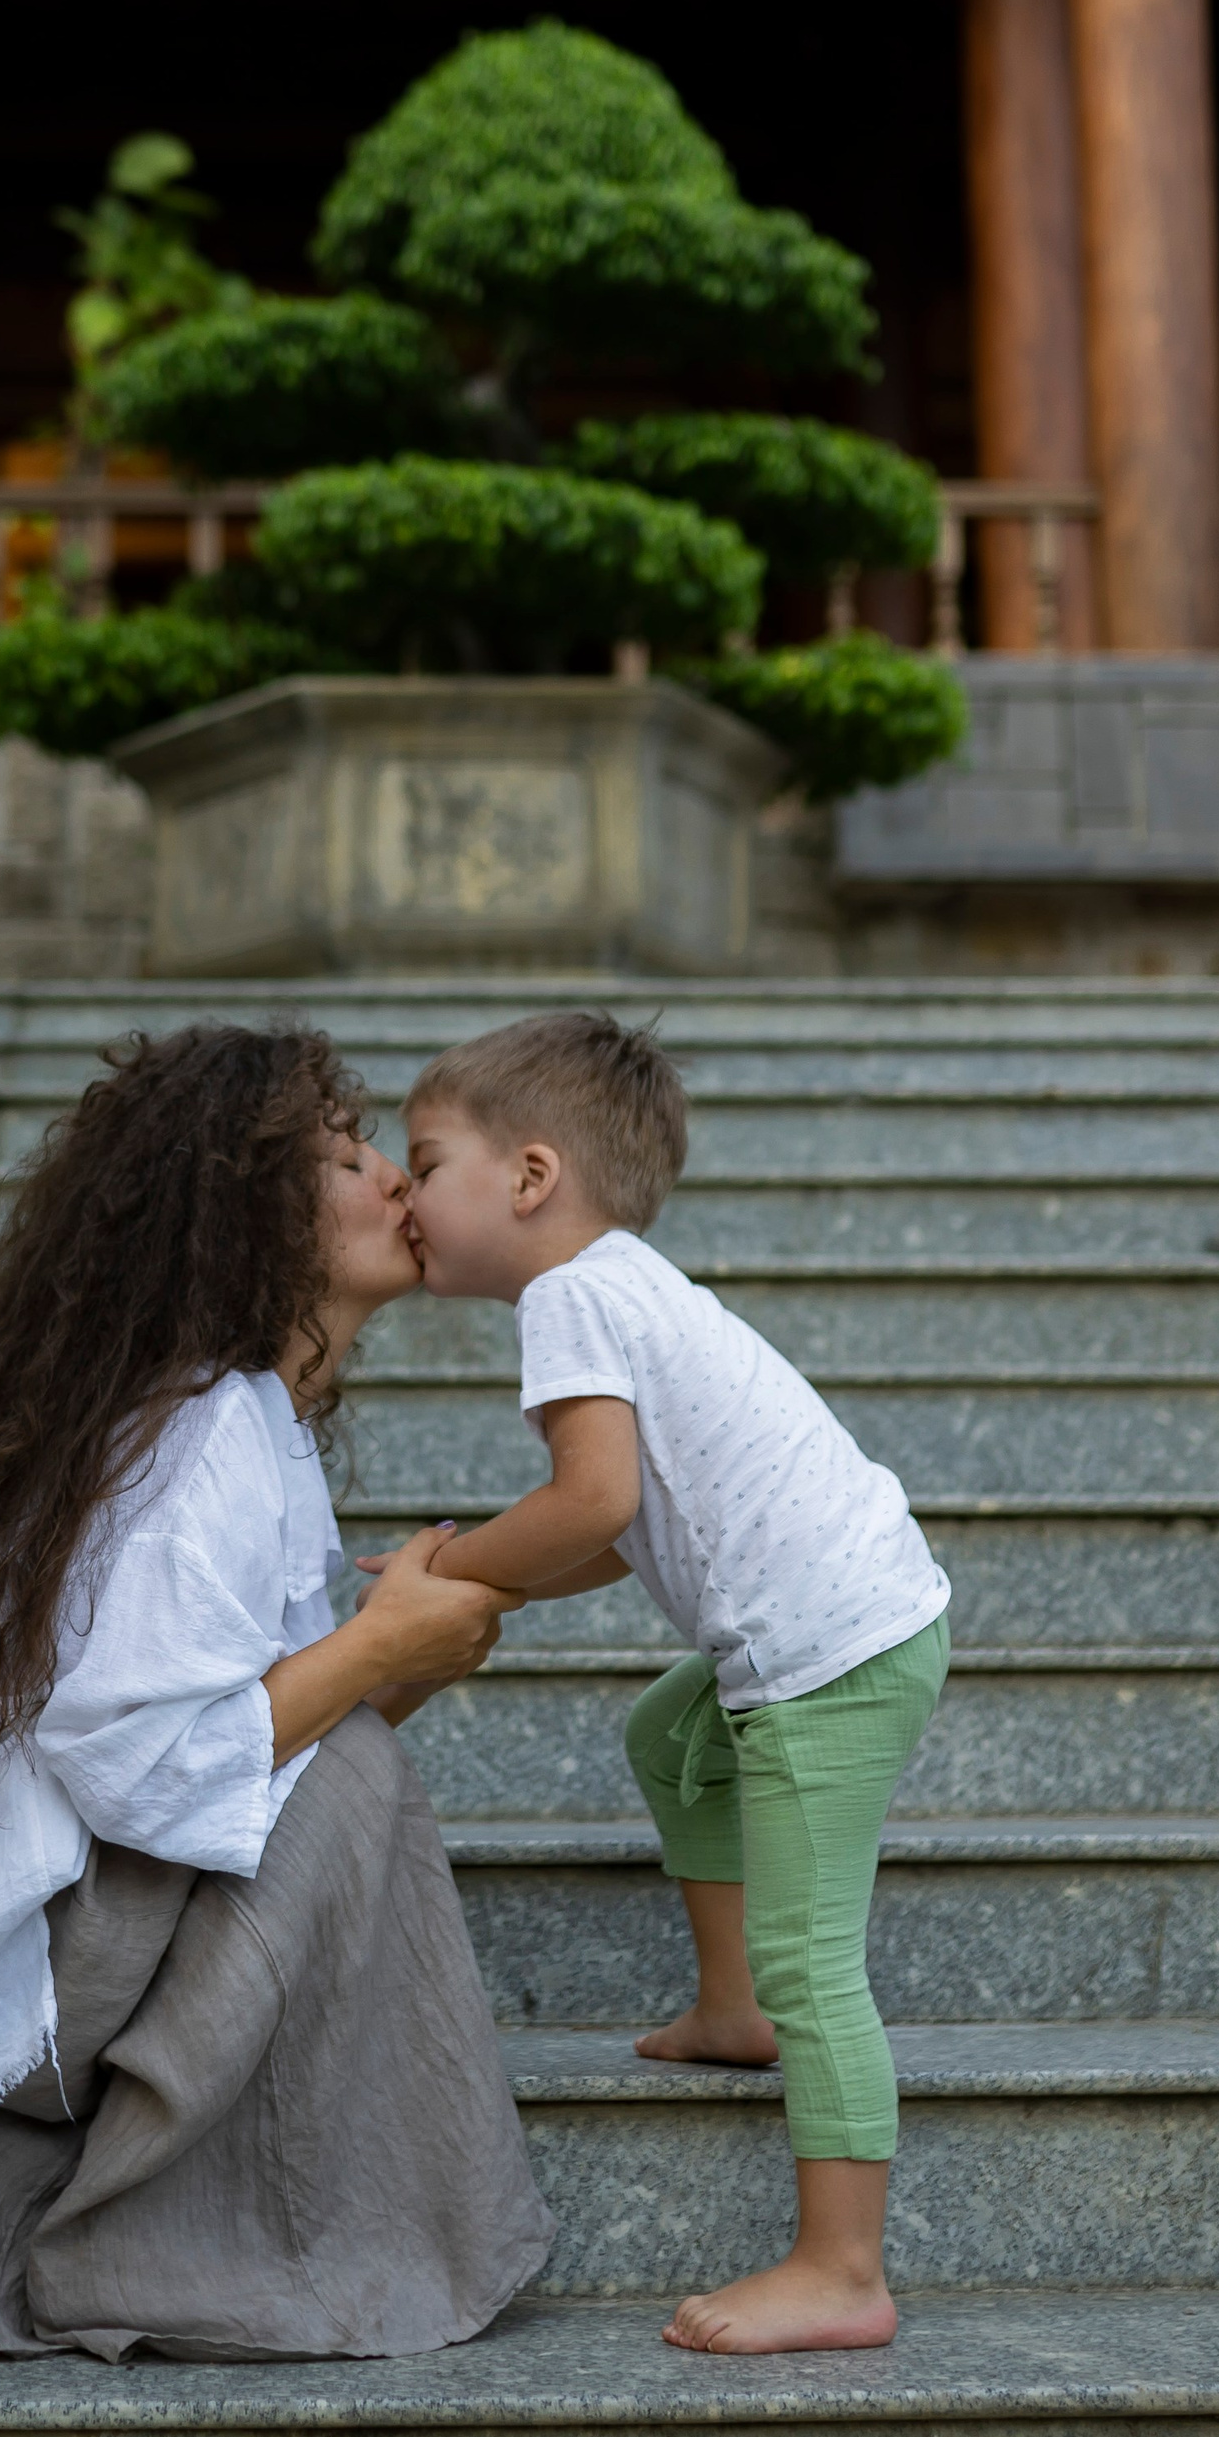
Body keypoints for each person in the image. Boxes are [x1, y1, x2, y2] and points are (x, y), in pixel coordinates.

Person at [0, 1020, 549, 2359]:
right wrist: (377, 1650)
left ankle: (167, 2207)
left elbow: (259, 1755)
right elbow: (145, 1765)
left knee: (348, 1765)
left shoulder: (240, 1419)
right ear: (242, 1206)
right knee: (355, 1768)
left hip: (18, 1914)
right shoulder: (197, 1435)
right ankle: (151, 2238)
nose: (392, 1181)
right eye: (349, 1153)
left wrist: (392, 1651)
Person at [397, 1008, 950, 2359]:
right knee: (669, 1734)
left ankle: (842, 2265)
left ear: (529, 1177)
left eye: (421, 1160)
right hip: (844, 1616)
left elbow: (590, 1495)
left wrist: (455, 1565)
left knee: (818, 1960)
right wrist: (494, 1579)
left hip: (831, 1654)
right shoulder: (624, 1279)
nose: (401, 1192)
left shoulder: (573, 1295)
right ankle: (729, 2010)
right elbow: (619, 1521)